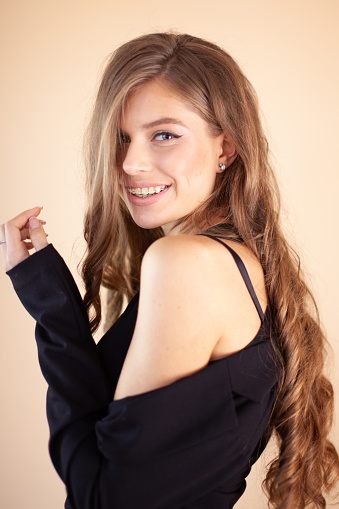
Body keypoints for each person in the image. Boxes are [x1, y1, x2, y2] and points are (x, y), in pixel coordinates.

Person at [1, 32, 338, 509]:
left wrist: (55, 310)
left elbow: (105, 500)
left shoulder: (186, 263)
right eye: (120, 138)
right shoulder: (237, 259)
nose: (131, 163)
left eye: (164, 135)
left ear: (227, 147)